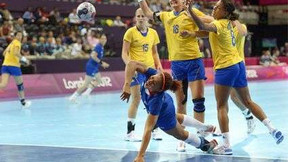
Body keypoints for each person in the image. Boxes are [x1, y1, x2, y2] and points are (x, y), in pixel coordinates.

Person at [187, 0, 284, 155]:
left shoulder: (219, 24)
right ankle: (272, 129)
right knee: (248, 101)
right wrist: (192, 33)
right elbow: (206, 32)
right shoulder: (228, 25)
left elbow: (203, 26)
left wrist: (190, 11)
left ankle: (226, 145)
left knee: (221, 106)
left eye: (217, 7)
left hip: (225, 67)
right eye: (214, 6)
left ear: (225, 12)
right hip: (238, 64)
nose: (214, 9)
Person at [139, 0, 213, 151]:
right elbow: (148, 13)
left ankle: (201, 135)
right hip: (177, 63)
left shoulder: (192, 12)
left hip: (194, 60)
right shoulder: (166, 15)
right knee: (181, 102)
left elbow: (209, 27)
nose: (172, 1)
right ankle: (184, 138)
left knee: (198, 100)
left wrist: (193, 31)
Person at [120, 61, 218, 162]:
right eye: (152, 78)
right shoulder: (153, 75)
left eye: (153, 83)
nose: (149, 81)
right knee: (176, 117)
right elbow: (132, 64)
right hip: (167, 103)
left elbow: (148, 129)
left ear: (159, 90)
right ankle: (205, 127)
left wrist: (140, 155)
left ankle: (205, 145)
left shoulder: (156, 101)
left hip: (164, 114)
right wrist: (127, 84)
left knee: (180, 134)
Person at [121, 8, 163, 142]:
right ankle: (130, 133)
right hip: (135, 70)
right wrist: (130, 66)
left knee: (152, 100)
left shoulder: (153, 33)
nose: (140, 18)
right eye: (138, 16)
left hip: (149, 71)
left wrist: (159, 65)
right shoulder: (130, 33)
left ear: (147, 18)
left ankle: (154, 129)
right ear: (135, 18)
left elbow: (155, 52)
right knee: (136, 99)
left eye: (142, 16)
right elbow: (124, 53)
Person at [68, 33, 109, 103]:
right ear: (99, 40)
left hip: (95, 67)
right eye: (102, 39)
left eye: (105, 39)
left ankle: (87, 93)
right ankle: (73, 97)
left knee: (99, 80)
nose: (104, 40)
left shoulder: (101, 47)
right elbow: (93, 56)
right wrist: (102, 63)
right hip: (91, 67)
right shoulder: (98, 46)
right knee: (86, 84)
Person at [0, 31, 31, 108]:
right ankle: (24, 103)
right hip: (14, 67)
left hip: (5, 65)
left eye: (21, 36)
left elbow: (4, 53)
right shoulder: (17, 43)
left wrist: (10, 58)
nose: (19, 37)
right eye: (18, 35)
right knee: (20, 85)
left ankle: (23, 102)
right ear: (15, 36)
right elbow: (16, 53)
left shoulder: (11, 43)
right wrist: (24, 59)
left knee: (3, 85)